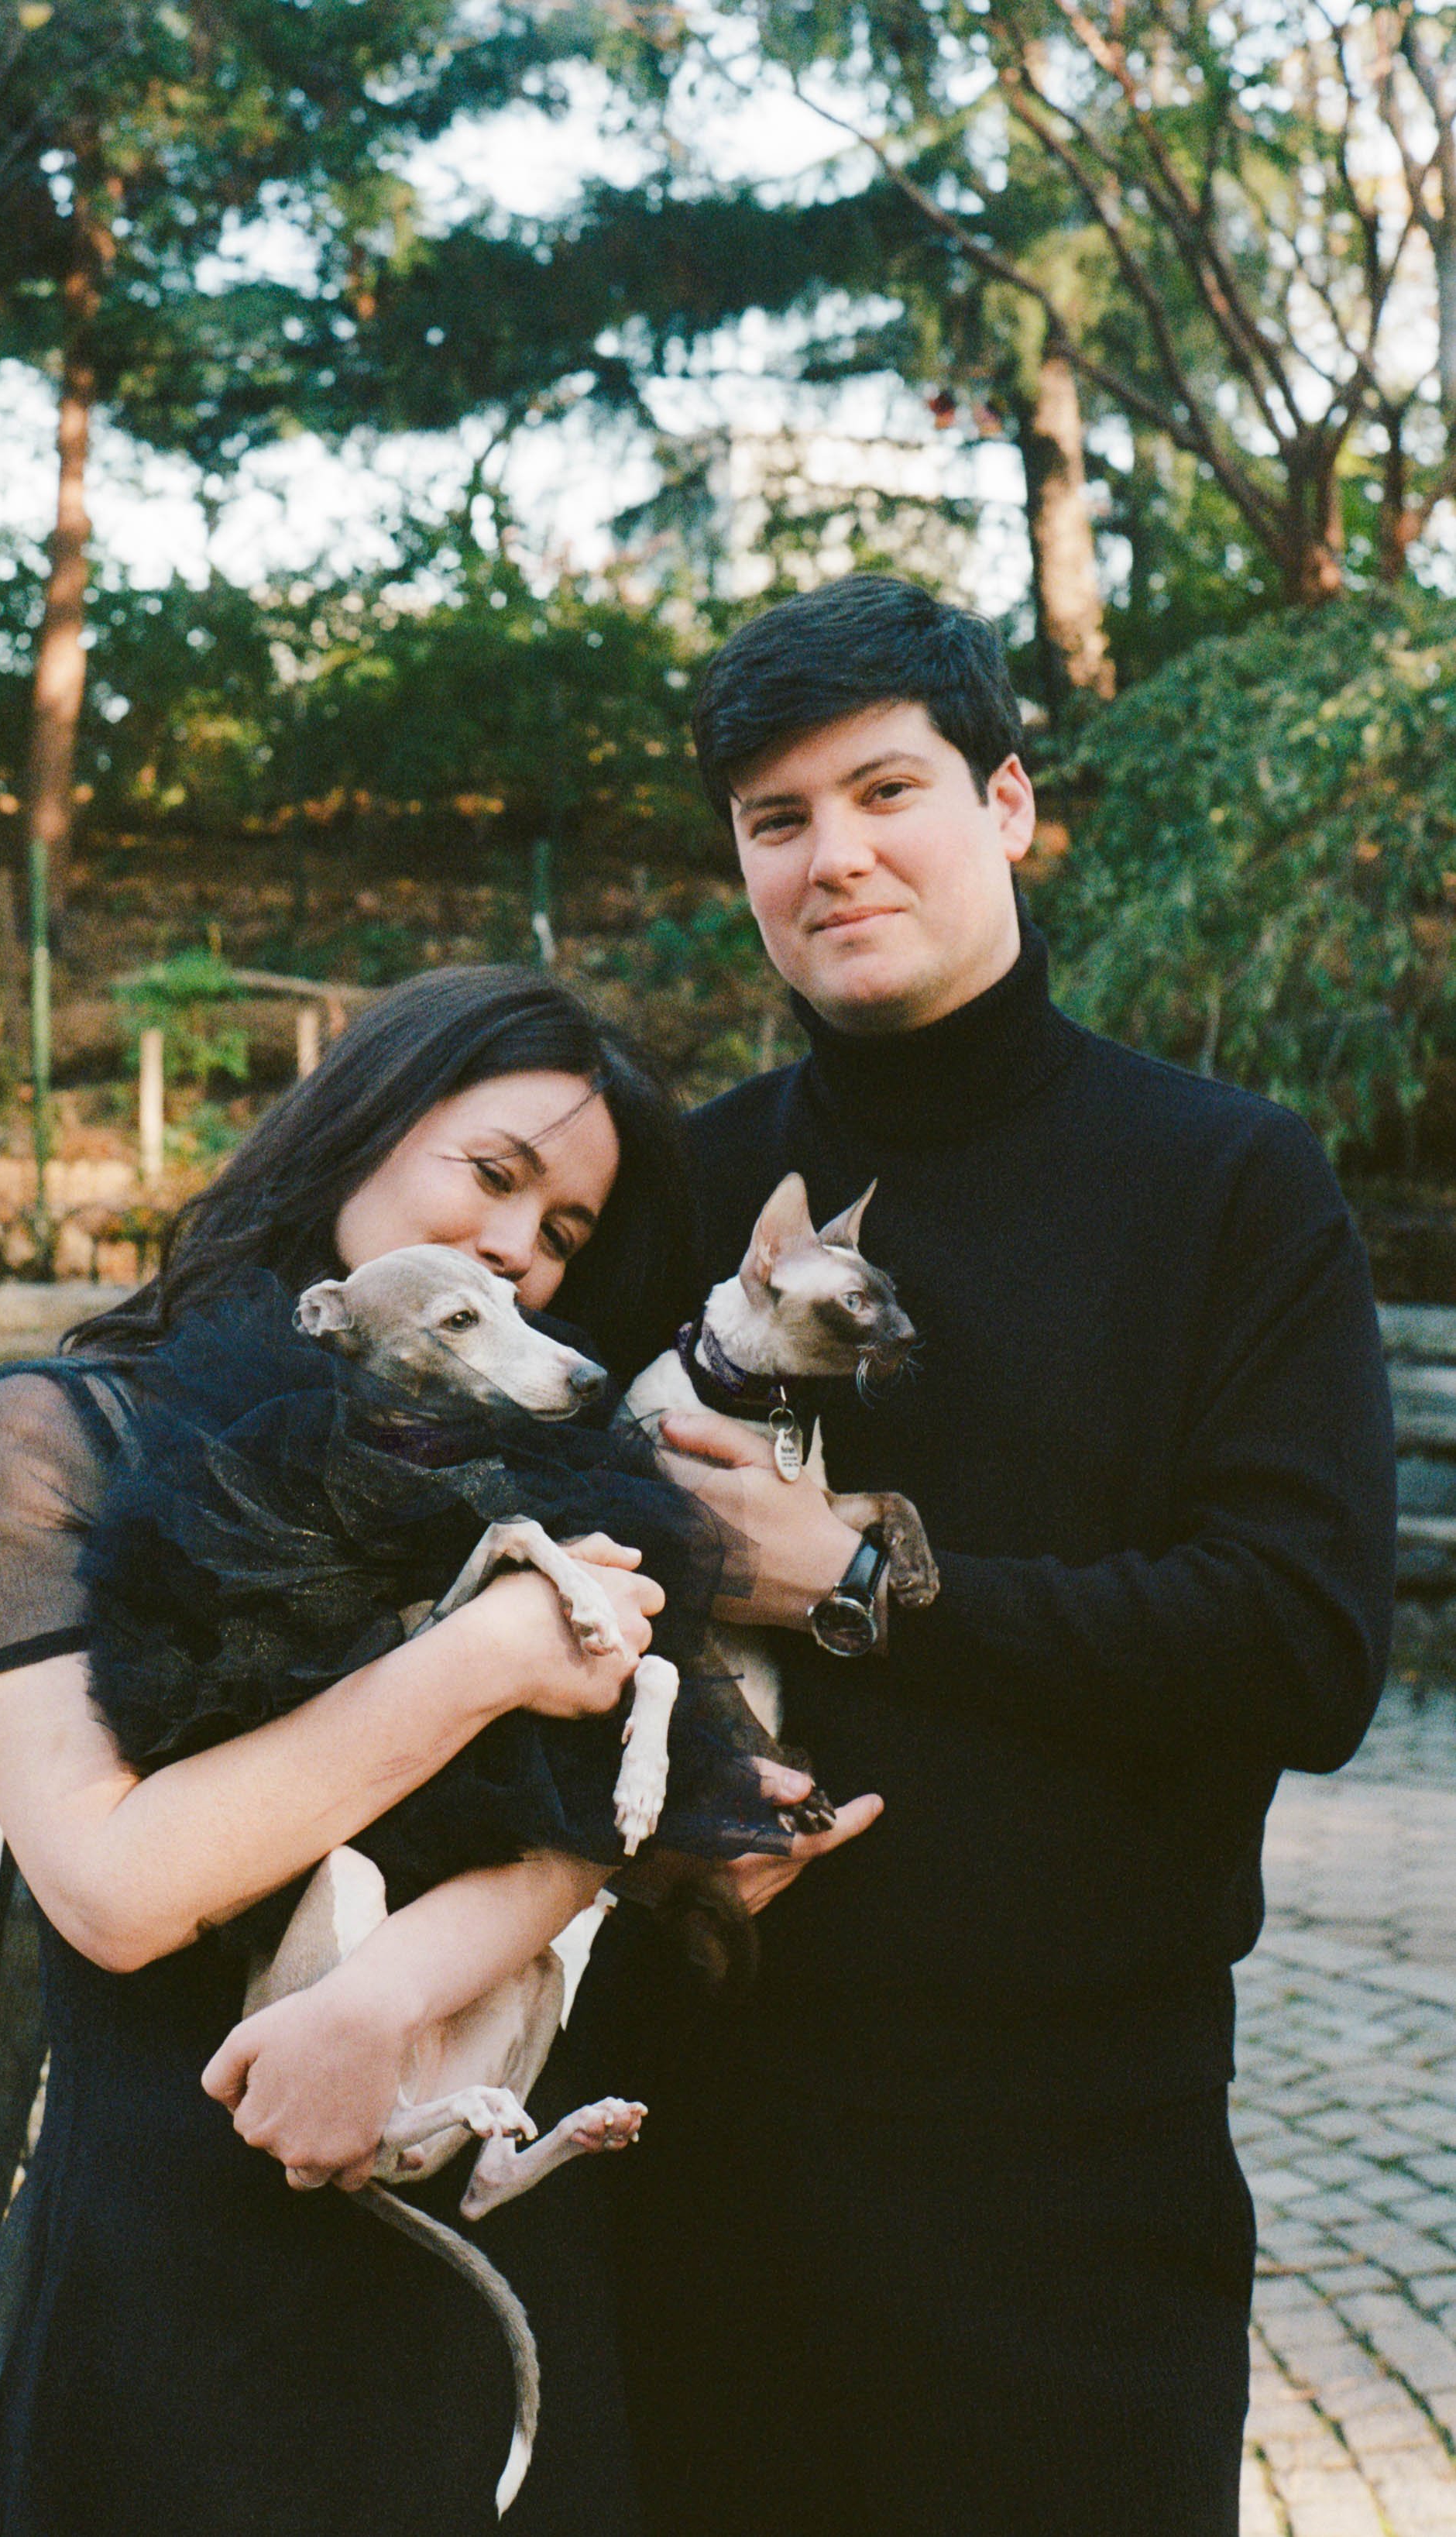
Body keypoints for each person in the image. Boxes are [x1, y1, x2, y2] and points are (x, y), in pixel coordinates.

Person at [573, 576, 1399, 2537]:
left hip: (1069, 2173)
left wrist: (854, 1586)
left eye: (887, 792)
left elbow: (1303, 1650)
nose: (835, 856)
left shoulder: (1225, 1180)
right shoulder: (680, 1181)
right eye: (778, 820)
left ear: (1007, 803)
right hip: (695, 2150)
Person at [0, 964, 872, 2537]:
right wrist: (481, 1660)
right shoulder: (66, 1430)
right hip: (181, 2258)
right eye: (494, 1175)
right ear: (360, 1123)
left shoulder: (547, 1473)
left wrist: (407, 1980)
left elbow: (587, 1835)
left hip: (483, 2252)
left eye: (564, 1233)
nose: (519, 1244)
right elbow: (115, 1886)